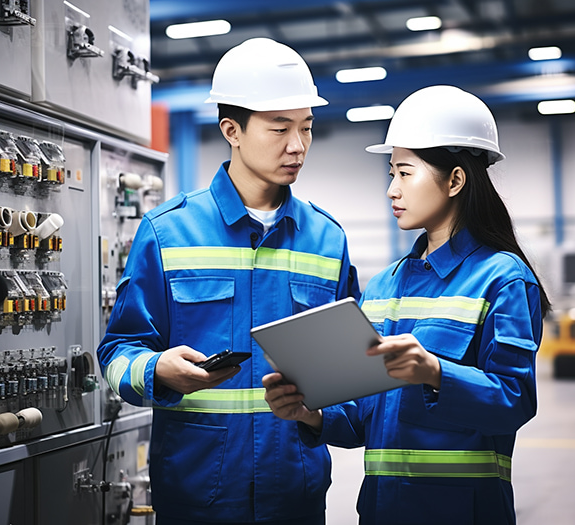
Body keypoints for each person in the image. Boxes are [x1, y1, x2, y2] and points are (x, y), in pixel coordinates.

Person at [97, 38, 359, 525]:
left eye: (306, 128)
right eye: (279, 128)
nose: (297, 145)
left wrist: (320, 415)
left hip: (295, 497)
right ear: (231, 130)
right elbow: (116, 354)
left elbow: (348, 382)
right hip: (198, 496)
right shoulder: (166, 232)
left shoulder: (327, 240)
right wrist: (157, 371)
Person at [263, 85, 551, 525]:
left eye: (404, 173)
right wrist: (312, 413)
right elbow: (362, 417)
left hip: (465, 514)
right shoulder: (383, 287)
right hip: (382, 510)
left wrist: (436, 373)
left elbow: (515, 401)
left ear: (455, 180)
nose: (391, 190)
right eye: (391, 173)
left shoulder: (503, 279)